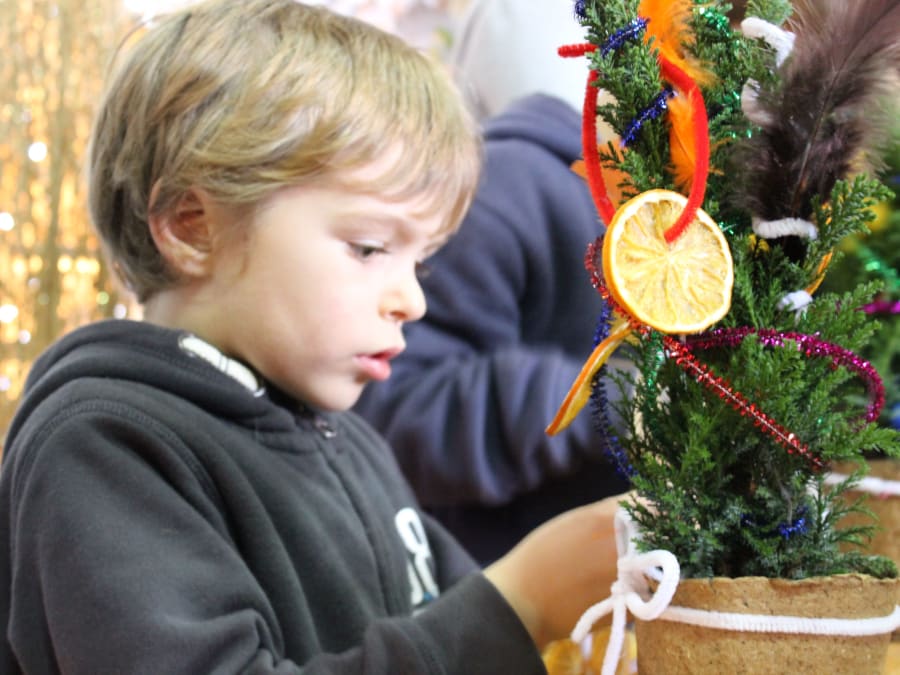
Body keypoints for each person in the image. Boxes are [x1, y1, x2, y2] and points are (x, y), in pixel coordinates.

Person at [0, 1, 624, 672]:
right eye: (369, 247)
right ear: (190, 225)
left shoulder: (349, 442)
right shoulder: (106, 447)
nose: (412, 299)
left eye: (420, 261)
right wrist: (520, 602)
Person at [354, 0, 631, 565]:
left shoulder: (664, 210)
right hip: (509, 603)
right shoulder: (507, 190)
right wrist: (604, 401)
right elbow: (394, 408)